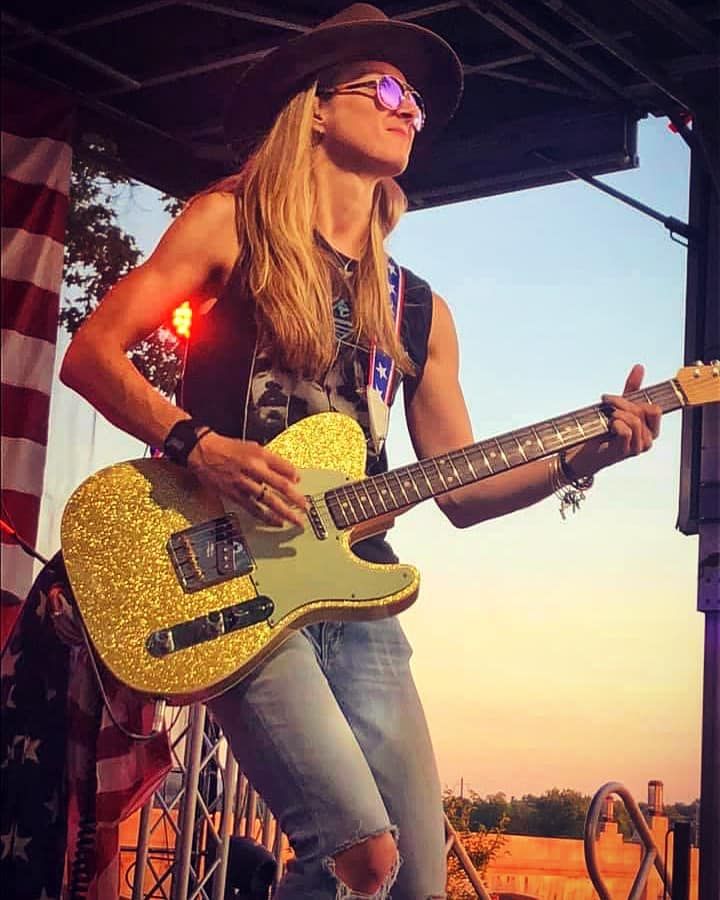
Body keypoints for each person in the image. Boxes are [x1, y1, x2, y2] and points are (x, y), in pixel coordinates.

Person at [60, 4, 662, 898]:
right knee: (358, 854)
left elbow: (463, 489)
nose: (408, 108)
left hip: (358, 592)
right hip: (230, 576)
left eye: (415, 101)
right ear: (315, 108)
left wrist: (586, 457)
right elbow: (91, 355)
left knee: (414, 882)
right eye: (385, 89)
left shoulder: (420, 309)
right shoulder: (230, 225)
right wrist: (200, 446)